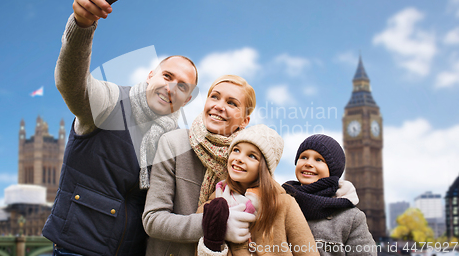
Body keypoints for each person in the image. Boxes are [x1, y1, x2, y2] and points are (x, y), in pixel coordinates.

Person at [41, 0, 199, 256]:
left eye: (182, 86)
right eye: (167, 76)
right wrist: (81, 25)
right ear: (151, 75)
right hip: (78, 250)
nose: (171, 87)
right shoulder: (111, 102)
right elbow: (71, 83)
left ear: (187, 99)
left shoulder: (175, 142)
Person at [142, 75, 258, 255]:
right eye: (214, 97)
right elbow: (153, 219)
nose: (219, 106)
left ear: (244, 121)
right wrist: (215, 224)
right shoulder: (174, 143)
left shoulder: (249, 163)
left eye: (232, 103)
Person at [196, 124, 320, 256]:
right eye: (236, 150)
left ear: (265, 168)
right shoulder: (210, 208)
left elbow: (308, 252)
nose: (239, 159)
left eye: (252, 156)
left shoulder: (284, 204)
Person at [282, 134, 377, 256]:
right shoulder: (277, 204)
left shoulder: (351, 218)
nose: (308, 163)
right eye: (304, 157)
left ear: (333, 170)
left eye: (319, 160)